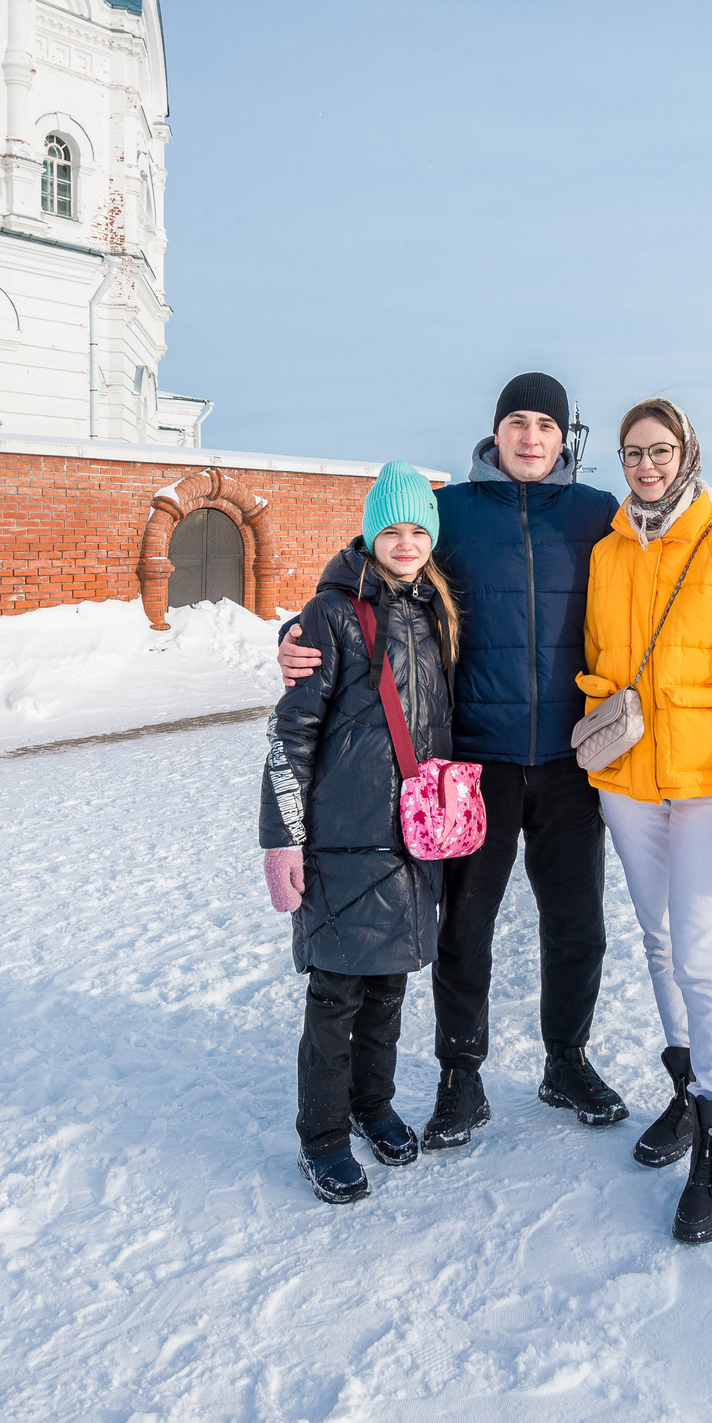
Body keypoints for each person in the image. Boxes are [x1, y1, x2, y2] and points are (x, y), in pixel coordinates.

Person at [278, 373, 626, 1154]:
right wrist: (298, 635)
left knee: (578, 925)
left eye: (545, 424)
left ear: (565, 436)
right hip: (474, 764)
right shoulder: (457, 511)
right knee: (466, 929)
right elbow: (373, 559)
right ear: (495, 432)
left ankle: (566, 1062)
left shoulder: (597, 515)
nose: (531, 436)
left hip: (571, 761)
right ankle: (460, 1078)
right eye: (517, 422)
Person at [581, 397, 712, 1244]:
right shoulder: (605, 551)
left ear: (688, 454)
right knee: (658, 938)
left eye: (660, 450)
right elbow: (596, 657)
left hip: (707, 783)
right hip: (629, 780)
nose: (646, 465)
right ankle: (683, 1084)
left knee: (702, 946)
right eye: (633, 452)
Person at [259, 463, 460, 1204]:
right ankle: (321, 1136)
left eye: (418, 531)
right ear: (371, 531)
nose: (405, 543)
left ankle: (372, 1104)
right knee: (336, 999)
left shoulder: (432, 609)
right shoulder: (333, 614)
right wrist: (282, 839)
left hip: (411, 844)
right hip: (343, 845)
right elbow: (292, 734)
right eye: (392, 529)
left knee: (389, 992)